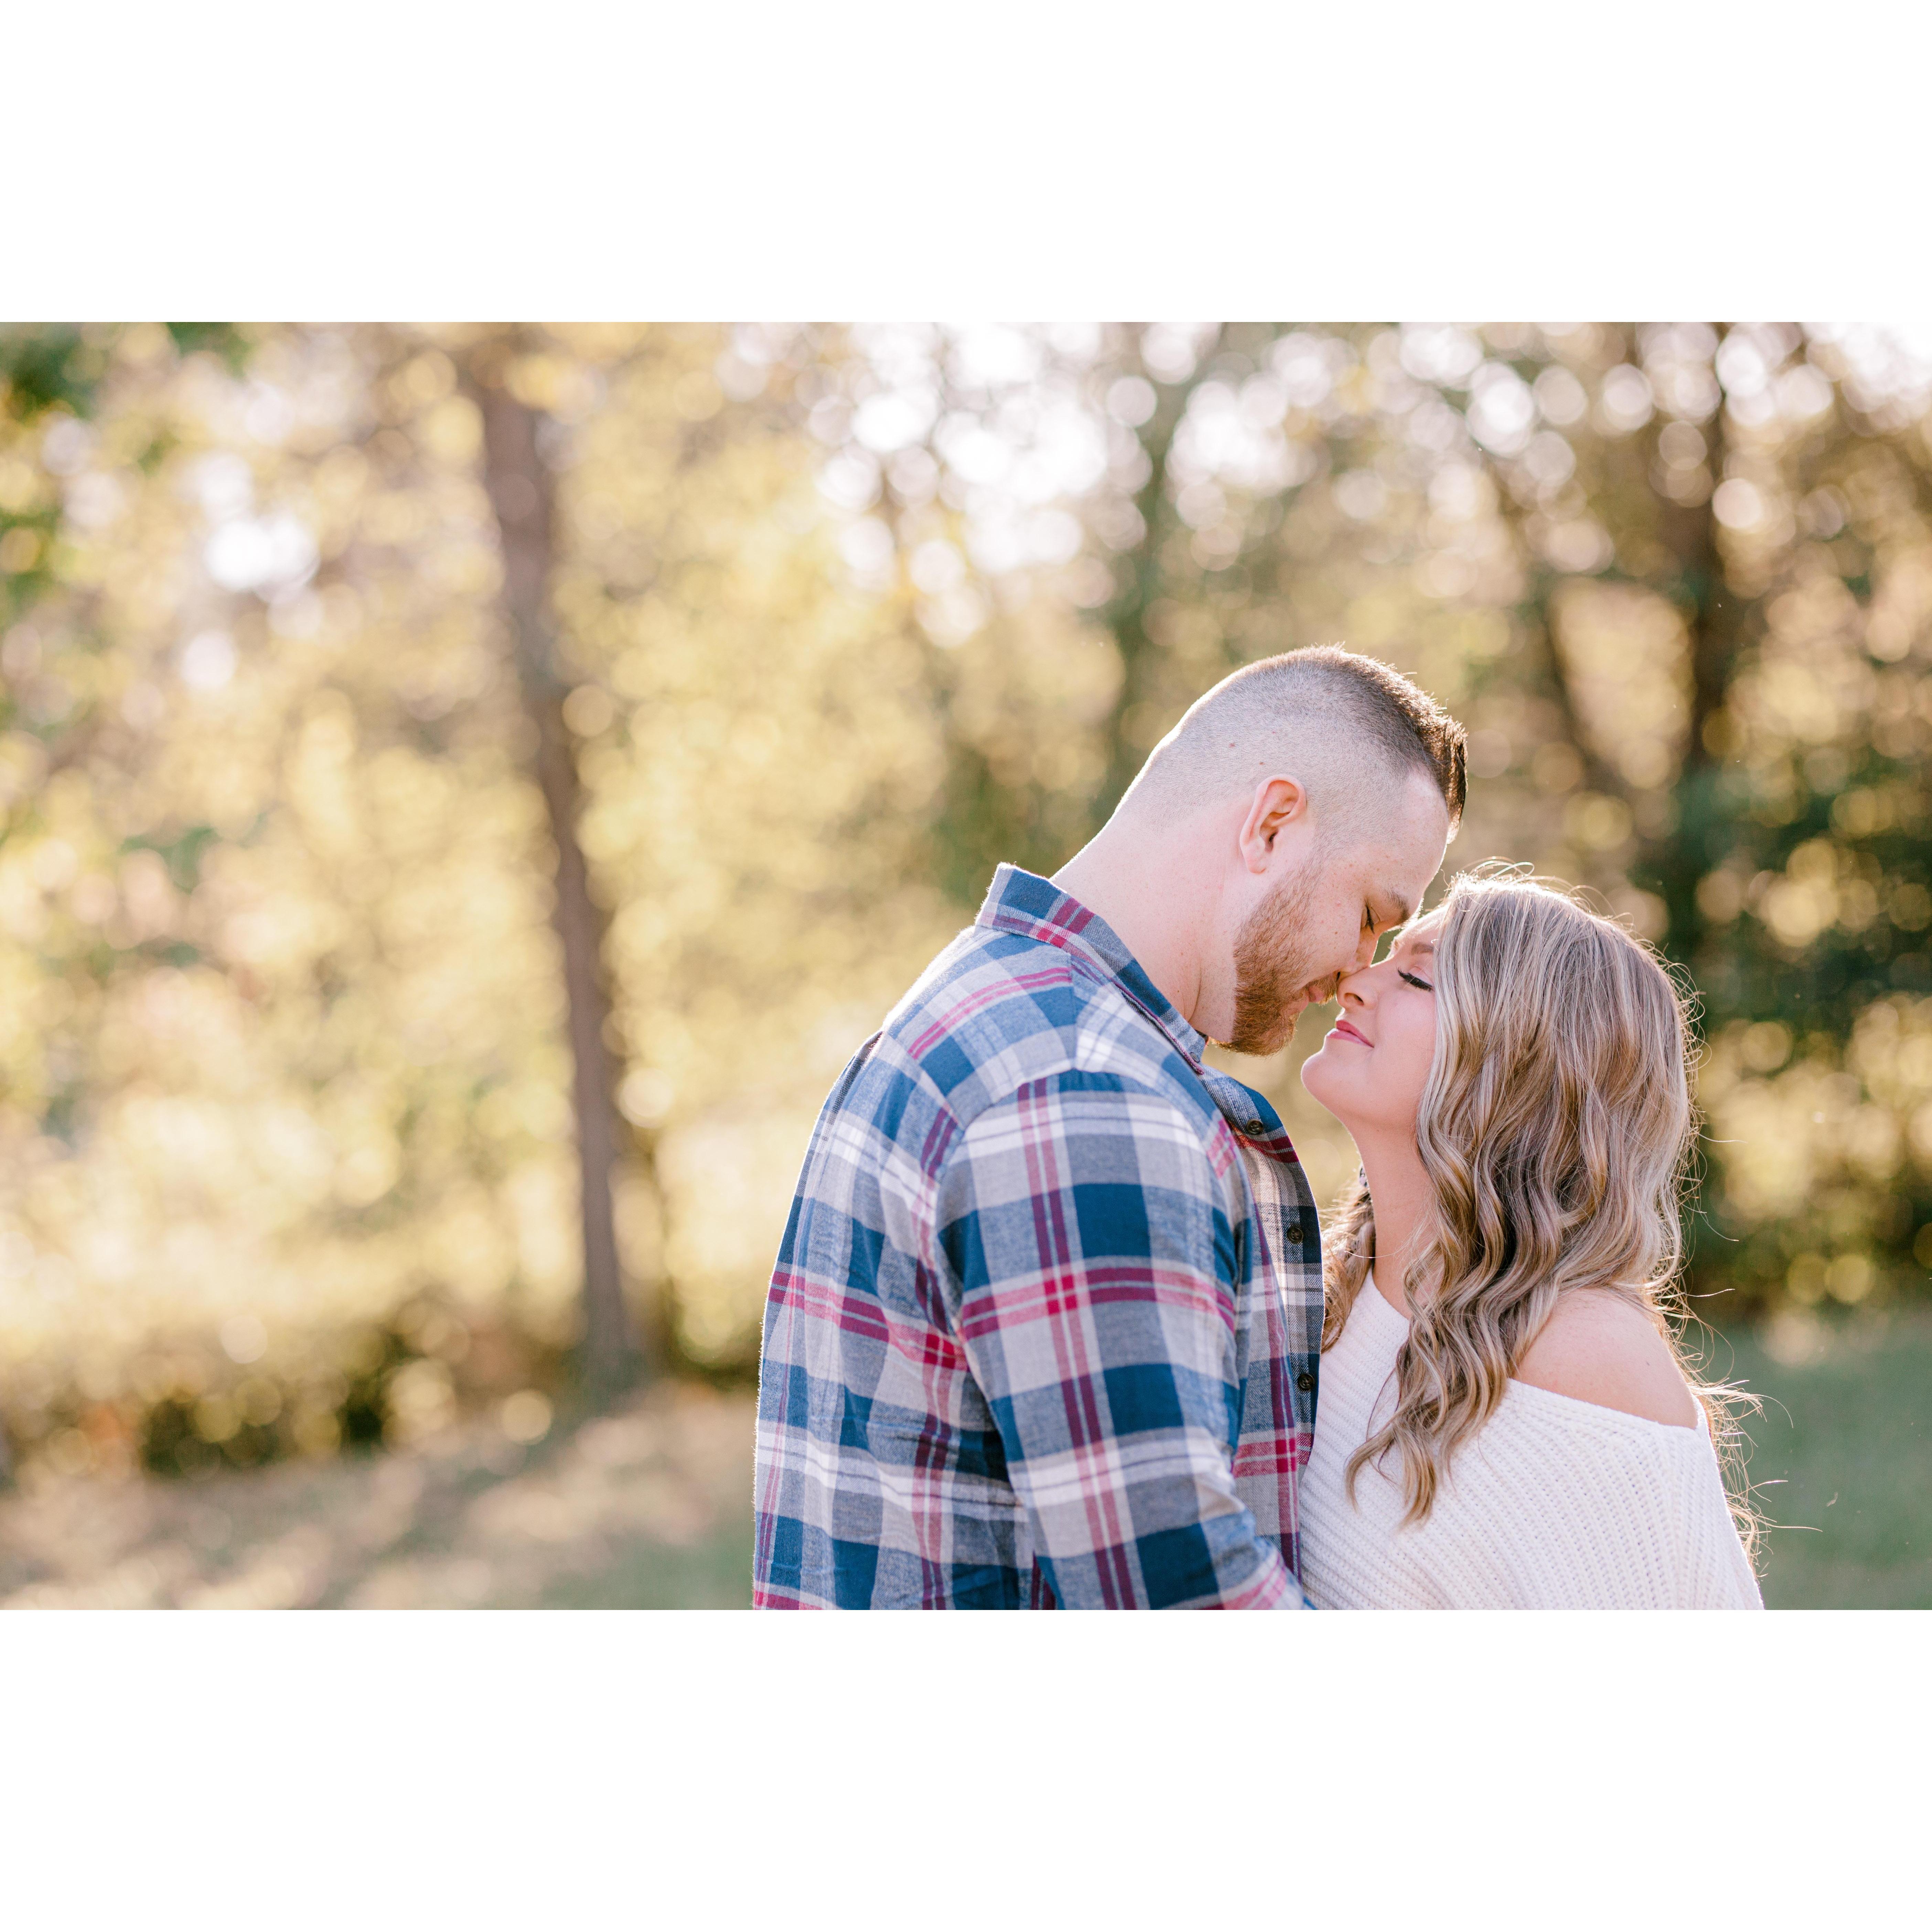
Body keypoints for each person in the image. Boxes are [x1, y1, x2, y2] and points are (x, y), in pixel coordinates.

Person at [753, 646, 1466, 1608]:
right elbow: (1172, 1595)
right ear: (1271, 824)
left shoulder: (984, 1007)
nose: (1358, 967)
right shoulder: (1086, 1092)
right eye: (1373, 912)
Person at [1296, 868, 1763, 1610]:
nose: (1356, 979)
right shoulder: (1328, 1289)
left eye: (1415, 978)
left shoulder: (1586, 1357)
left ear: (1512, 1065)